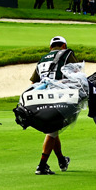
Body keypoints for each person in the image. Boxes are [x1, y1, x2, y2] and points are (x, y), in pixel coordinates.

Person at [31, 36, 75, 175]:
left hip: (41, 97)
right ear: (63, 46)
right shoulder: (67, 54)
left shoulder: (43, 59)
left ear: (51, 47)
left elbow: (34, 82)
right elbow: (77, 74)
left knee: (53, 128)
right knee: (52, 130)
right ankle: (42, 165)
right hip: (59, 96)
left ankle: (62, 160)